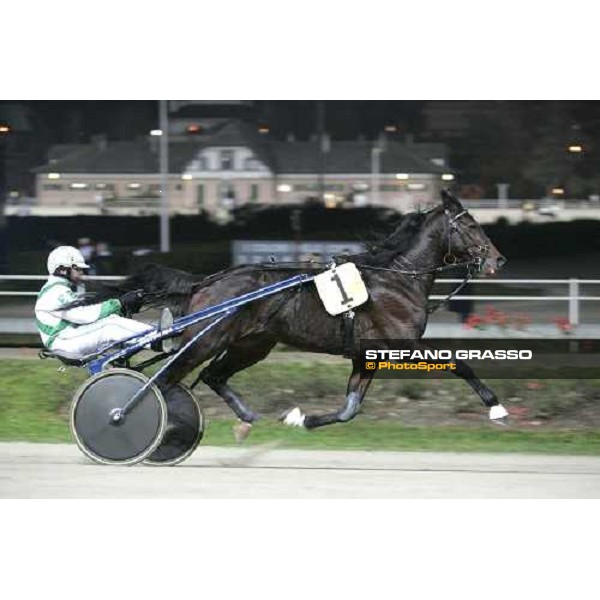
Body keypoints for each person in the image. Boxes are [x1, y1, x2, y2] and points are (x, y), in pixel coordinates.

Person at [35, 246, 153, 358]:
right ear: (62, 270)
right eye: (78, 269)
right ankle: (157, 338)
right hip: (63, 341)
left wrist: (120, 309)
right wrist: (119, 303)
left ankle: (156, 336)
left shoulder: (59, 289)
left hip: (67, 337)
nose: (81, 273)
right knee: (111, 325)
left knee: (112, 320)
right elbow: (83, 315)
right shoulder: (56, 290)